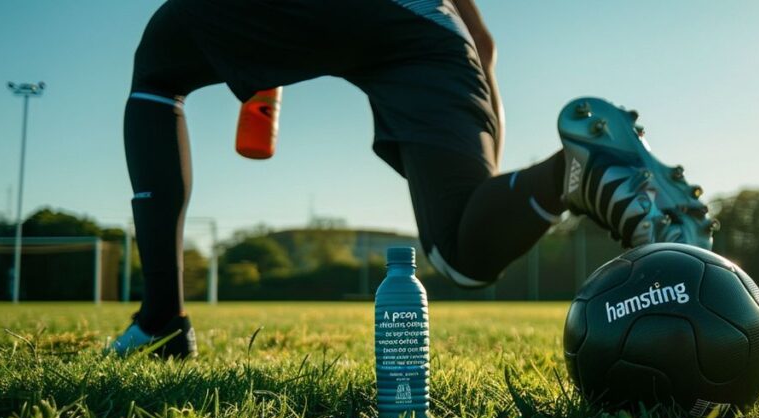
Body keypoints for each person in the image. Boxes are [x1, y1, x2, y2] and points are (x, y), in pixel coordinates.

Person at [110, 0, 716, 358]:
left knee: (159, 69)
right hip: (431, 25)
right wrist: (487, 195)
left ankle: (162, 319)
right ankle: (573, 174)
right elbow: (485, 42)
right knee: (460, 253)